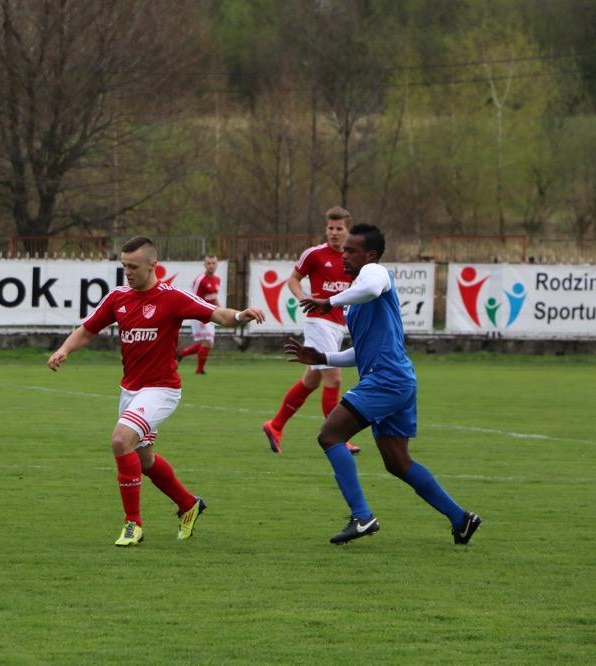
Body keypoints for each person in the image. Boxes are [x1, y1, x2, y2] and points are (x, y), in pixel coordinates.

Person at [48, 236, 265, 547]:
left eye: (133, 266)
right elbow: (88, 329)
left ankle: (133, 525)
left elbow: (218, 315)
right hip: (130, 391)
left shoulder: (172, 297)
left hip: (162, 390)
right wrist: (64, 349)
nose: (127, 272)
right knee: (144, 459)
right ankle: (189, 505)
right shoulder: (118, 298)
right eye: (124, 266)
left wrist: (242, 315)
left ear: (153, 265)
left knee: (120, 440)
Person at [285, 223, 481, 545]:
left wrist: (328, 302)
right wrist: (324, 356)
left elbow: (374, 288)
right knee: (398, 462)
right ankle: (461, 519)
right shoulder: (355, 296)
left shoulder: (374, 273)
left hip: (386, 380)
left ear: (370, 255)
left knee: (330, 435)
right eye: (344, 249)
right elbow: (361, 351)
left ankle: (362, 516)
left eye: (352, 250)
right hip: (397, 379)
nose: (344, 255)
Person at [263, 207, 361, 455]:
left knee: (311, 380)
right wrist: (303, 297)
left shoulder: (352, 259)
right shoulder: (315, 254)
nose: (334, 233)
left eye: (339, 228)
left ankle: (275, 425)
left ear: (347, 231)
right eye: (330, 228)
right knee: (334, 379)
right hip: (318, 323)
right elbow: (293, 279)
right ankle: (337, 437)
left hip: (337, 326)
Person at [176, 254, 221, 375]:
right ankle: (199, 370)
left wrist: (221, 309)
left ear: (216, 264)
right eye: (208, 263)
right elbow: (194, 298)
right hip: (200, 314)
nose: (211, 266)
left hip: (211, 313)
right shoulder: (200, 279)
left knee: (206, 343)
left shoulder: (217, 279)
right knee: (207, 342)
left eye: (213, 263)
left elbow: (214, 297)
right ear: (204, 265)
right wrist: (199, 316)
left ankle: (181, 354)